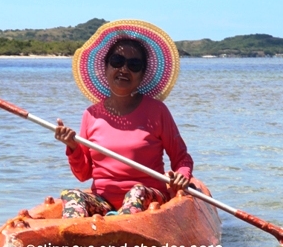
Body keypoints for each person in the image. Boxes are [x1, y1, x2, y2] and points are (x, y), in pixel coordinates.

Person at [54, 19, 193, 218]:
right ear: (106, 67)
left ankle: (122, 233)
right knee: (70, 195)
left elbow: (182, 159)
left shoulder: (157, 111)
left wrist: (182, 175)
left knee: (136, 192)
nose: (124, 69)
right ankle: (76, 244)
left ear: (143, 73)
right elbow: (83, 174)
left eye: (134, 65)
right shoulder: (91, 115)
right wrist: (72, 146)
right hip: (103, 201)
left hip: (147, 197)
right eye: (117, 62)